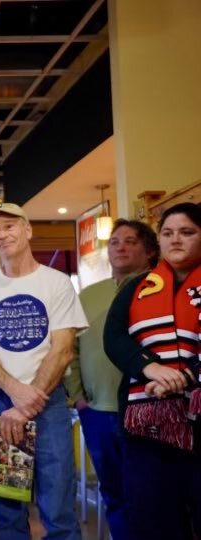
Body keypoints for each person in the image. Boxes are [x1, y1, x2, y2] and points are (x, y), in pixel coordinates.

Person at [0, 202, 87, 540]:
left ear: (28, 230)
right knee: (7, 513)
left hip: (49, 404)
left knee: (58, 510)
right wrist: (16, 393)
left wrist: (28, 402)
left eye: (9, 226)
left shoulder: (57, 283)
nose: (1, 234)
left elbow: (62, 350)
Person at [103, 202, 201, 540]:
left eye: (187, 232)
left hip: (198, 419)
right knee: (151, 519)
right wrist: (151, 369)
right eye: (168, 233)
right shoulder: (136, 286)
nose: (176, 240)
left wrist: (184, 378)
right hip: (146, 425)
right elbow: (113, 337)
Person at [63, 218, 158, 540]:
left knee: (153, 494)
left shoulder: (160, 290)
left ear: (149, 251)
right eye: (115, 241)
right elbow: (71, 349)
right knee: (113, 491)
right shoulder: (89, 295)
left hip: (150, 411)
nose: (120, 246)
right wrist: (77, 397)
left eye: (131, 241)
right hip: (98, 411)